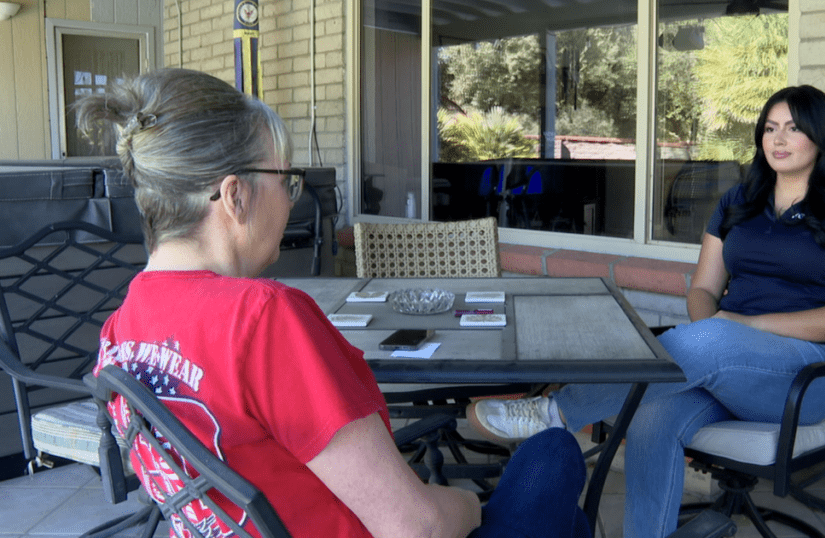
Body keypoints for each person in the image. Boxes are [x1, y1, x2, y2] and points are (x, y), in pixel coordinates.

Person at [82, 68, 590, 538]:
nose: (291, 198)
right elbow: (414, 527)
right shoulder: (261, 318)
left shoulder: (119, 332)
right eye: (286, 181)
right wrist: (471, 506)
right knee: (554, 454)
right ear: (235, 197)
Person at [469, 85, 825, 538]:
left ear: (820, 138)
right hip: (727, 362)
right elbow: (704, 289)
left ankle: (557, 411)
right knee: (653, 417)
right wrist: (714, 332)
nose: (778, 140)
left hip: (804, 375)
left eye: (793, 128)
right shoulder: (737, 203)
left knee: (715, 339)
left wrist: (740, 328)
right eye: (770, 128)